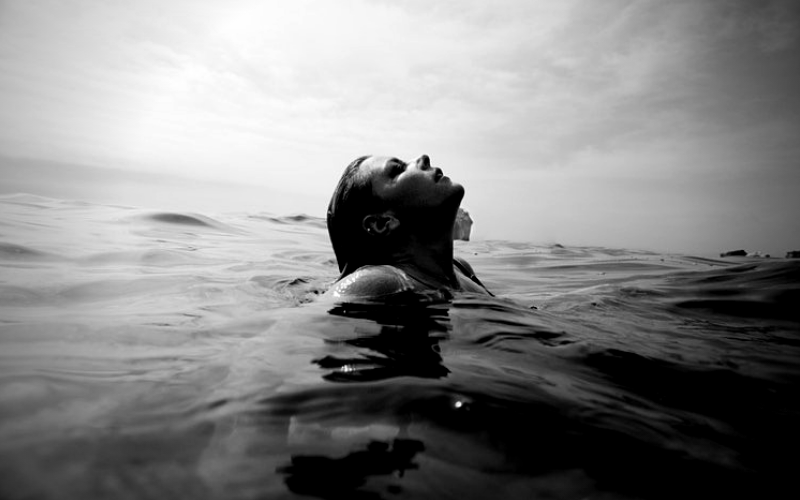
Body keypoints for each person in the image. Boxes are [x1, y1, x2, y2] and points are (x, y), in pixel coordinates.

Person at [324, 154, 492, 300]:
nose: (423, 158)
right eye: (398, 169)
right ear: (381, 223)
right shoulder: (381, 281)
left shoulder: (460, 268)